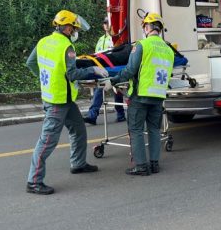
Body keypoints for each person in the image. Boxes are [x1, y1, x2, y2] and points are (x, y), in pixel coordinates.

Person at [25, 10, 109, 195]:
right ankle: (34, 181)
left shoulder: (43, 42)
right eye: (74, 29)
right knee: (47, 140)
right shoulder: (66, 47)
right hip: (58, 100)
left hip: (61, 98)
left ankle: (78, 163)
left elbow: (31, 63)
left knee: (78, 129)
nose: (75, 32)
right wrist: (93, 71)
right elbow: (72, 74)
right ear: (68, 27)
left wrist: (45, 77)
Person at [107, 12, 174, 176]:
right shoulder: (169, 49)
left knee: (136, 130)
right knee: (154, 130)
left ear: (148, 27)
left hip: (140, 95)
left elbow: (130, 70)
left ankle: (141, 167)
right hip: (158, 96)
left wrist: (114, 81)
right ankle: (154, 164)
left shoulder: (142, 45)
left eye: (144, 26)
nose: (144, 29)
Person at [84, 18, 126, 125]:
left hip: (114, 68)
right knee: (101, 89)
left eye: (108, 22)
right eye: (104, 22)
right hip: (103, 69)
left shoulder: (116, 38)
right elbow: (96, 54)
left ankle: (120, 114)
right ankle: (92, 115)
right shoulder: (100, 39)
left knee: (117, 91)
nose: (106, 24)